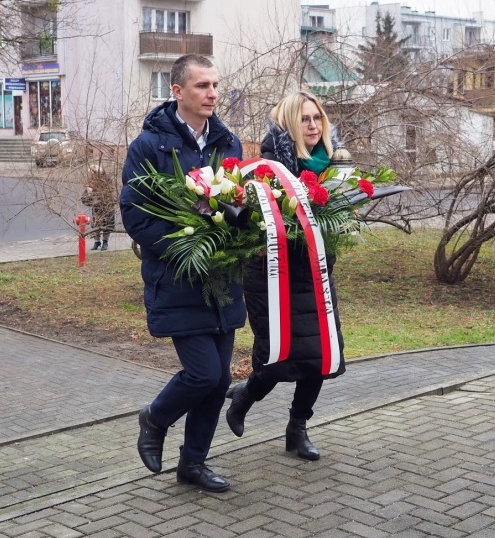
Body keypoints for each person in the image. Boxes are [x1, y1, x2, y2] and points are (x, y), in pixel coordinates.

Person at [120, 54, 245, 493]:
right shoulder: (149, 146)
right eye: (202, 86)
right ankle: (155, 417)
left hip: (223, 281)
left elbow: (241, 205)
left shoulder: (228, 142)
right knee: (203, 374)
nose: (213, 93)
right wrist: (189, 248)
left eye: (215, 85)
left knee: (220, 380)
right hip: (178, 278)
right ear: (177, 91)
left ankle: (193, 464)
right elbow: (135, 215)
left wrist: (238, 228)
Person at [225, 90, 345, 461]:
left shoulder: (336, 168)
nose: (313, 125)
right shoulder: (266, 168)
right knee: (277, 354)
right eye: (305, 119)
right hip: (270, 273)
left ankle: (298, 428)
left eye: (317, 118)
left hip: (313, 273)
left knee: (319, 353)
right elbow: (242, 221)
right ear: (290, 124)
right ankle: (245, 396)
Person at [81, 164, 116, 251]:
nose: (91, 175)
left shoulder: (106, 180)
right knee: (96, 224)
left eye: (92, 173)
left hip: (107, 206)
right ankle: (97, 242)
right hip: (96, 207)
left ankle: (105, 242)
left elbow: (108, 193)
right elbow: (85, 198)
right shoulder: (91, 182)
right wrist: (89, 194)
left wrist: (94, 191)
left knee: (107, 224)